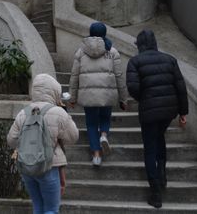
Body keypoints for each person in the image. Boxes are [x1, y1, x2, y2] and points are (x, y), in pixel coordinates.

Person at [126, 29, 188, 209]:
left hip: (149, 112)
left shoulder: (135, 62)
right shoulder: (170, 60)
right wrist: (183, 113)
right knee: (160, 138)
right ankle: (162, 174)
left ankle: (155, 193)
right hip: (169, 111)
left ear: (140, 45)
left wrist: (144, 98)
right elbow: (180, 87)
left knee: (150, 149)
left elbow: (133, 88)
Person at [8, 74, 79, 214]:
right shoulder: (58, 112)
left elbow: (11, 141)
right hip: (49, 166)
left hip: (27, 167)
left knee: (38, 208)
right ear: (54, 91)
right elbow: (73, 137)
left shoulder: (23, 113)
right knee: (51, 209)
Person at [68, 22, 128, 167]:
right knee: (105, 117)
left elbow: (74, 76)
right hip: (107, 93)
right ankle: (104, 135)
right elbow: (119, 76)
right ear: (104, 33)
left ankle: (96, 155)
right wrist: (123, 98)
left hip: (88, 94)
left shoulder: (81, 52)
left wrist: (72, 97)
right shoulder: (112, 52)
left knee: (91, 123)